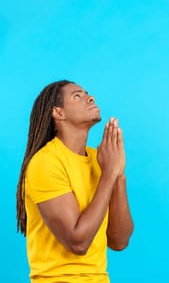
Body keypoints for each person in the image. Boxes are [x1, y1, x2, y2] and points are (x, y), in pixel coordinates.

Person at [16, 79, 134, 283]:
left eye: (87, 93)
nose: (90, 97)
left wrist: (117, 174)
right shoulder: (46, 163)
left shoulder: (100, 160)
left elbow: (119, 241)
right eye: (77, 96)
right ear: (58, 113)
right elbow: (78, 243)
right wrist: (108, 175)